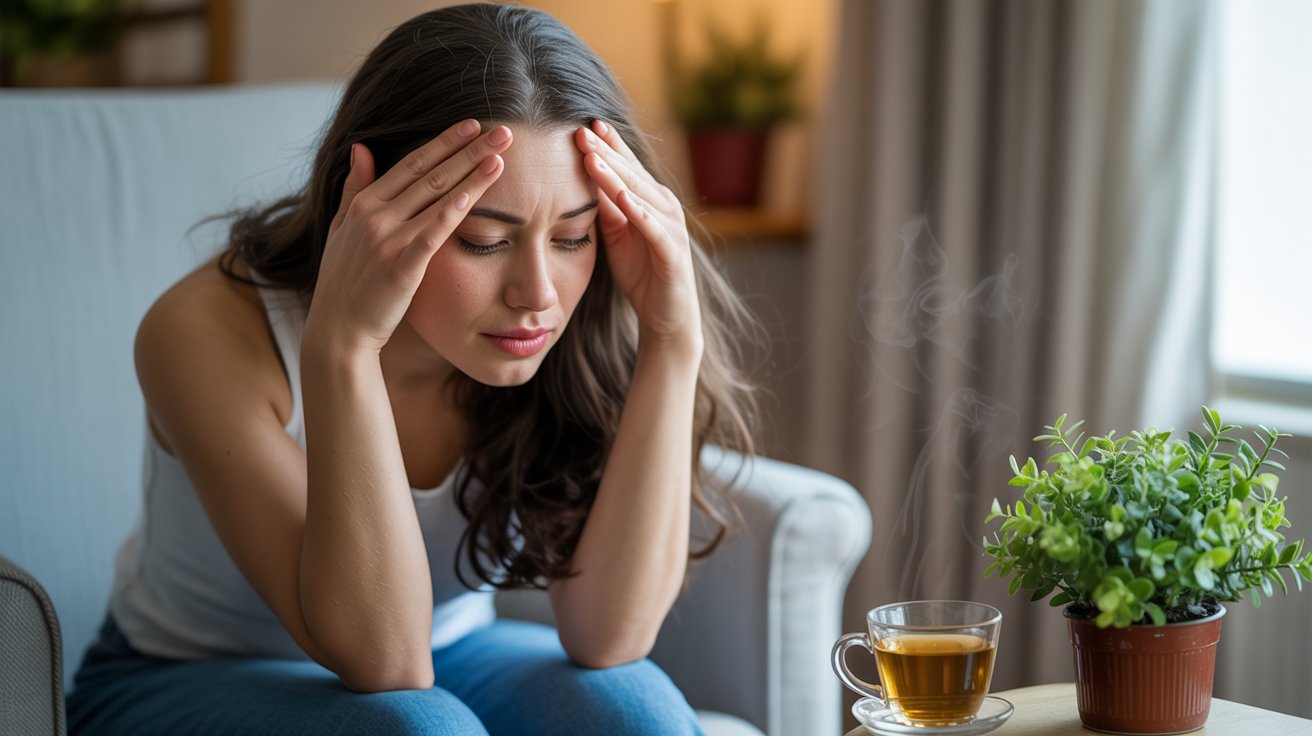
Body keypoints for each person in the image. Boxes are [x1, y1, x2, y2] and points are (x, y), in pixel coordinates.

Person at [63, 4, 760, 735]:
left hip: (449, 652)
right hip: (181, 674)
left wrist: (673, 337)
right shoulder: (205, 331)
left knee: (634, 713)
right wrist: (344, 347)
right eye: (486, 240)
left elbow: (608, 637)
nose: (538, 295)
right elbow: (384, 661)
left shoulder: (570, 325)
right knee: (419, 728)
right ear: (366, 207)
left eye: (574, 235)